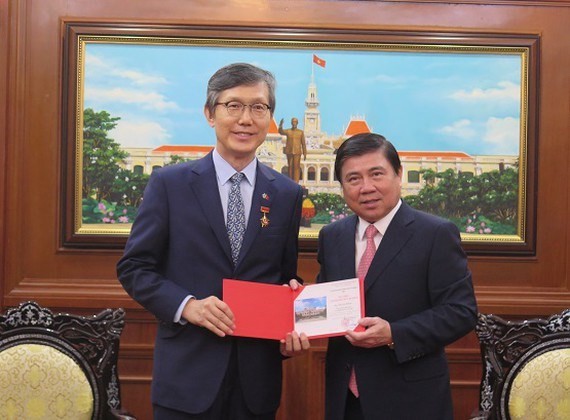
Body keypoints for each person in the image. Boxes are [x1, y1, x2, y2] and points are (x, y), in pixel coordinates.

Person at [117, 63, 309, 420]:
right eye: (233, 106)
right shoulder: (170, 184)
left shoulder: (287, 194)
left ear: (270, 119)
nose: (246, 119)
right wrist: (186, 305)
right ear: (210, 114)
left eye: (258, 108)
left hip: (256, 385)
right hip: (186, 379)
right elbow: (134, 268)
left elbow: (284, 276)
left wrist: (292, 317)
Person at [316, 133, 478, 420]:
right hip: (345, 400)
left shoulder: (435, 234)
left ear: (398, 174)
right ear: (342, 186)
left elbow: (461, 311)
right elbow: (325, 305)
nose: (367, 188)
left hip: (411, 399)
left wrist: (394, 334)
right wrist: (295, 304)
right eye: (353, 179)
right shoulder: (332, 236)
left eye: (376, 174)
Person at [278, 117, 307, 183]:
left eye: (295, 122)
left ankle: (296, 182)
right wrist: (280, 125)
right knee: (290, 166)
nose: (294, 123)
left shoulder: (300, 132)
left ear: (297, 123)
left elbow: (303, 143)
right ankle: (290, 181)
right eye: (293, 122)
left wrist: (305, 153)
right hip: (289, 151)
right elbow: (281, 131)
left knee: (296, 167)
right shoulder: (288, 131)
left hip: (297, 152)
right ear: (291, 123)